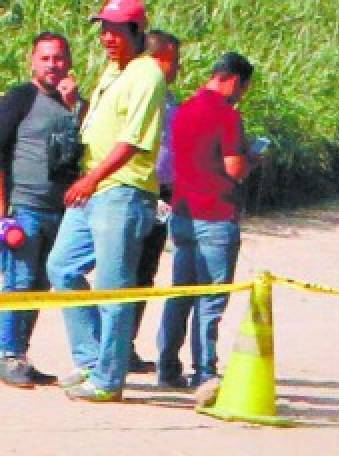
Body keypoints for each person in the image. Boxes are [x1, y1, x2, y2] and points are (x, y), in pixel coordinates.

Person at [46, 0, 166, 402]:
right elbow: (98, 125)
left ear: (137, 31)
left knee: (114, 286)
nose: (107, 38)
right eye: (103, 30)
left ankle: (109, 379)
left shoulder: (147, 74)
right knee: (61, 266)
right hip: (93, 187)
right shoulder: (113, 71)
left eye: (116, 30)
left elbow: (134, 139)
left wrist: (92, 179)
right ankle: (92, 360)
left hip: (123, 190)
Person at [157, 52, 257, 391]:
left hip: (182, 214)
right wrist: (253, 157)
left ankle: (167, 365)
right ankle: (204, 372)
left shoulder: (182, 110)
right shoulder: (227, 116)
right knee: (210, 299)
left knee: (181, 292)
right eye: (242, 88)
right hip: (215, 214)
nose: (240, 95)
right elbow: (234, 168)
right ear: (232, 80)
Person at [0, 32, 82, 389]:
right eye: (46, 58)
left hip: (59, 210)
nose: (53, 65)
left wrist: (76, 106)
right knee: (18, 282)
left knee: (39, 284)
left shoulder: (73, 103)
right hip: (25, 207)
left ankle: (21, 353)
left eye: (59, 58)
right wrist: (3, 211)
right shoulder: (20, 98)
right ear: (33, 61)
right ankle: (7, 355)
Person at [128, 29, 180, 373]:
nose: (177, 69)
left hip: (163, 195)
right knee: (124, 270)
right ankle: (109, 344)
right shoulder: (141, 94)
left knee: (145, 271)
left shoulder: (170, 98)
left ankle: (126, 344)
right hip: (136, 190)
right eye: (174, 61)